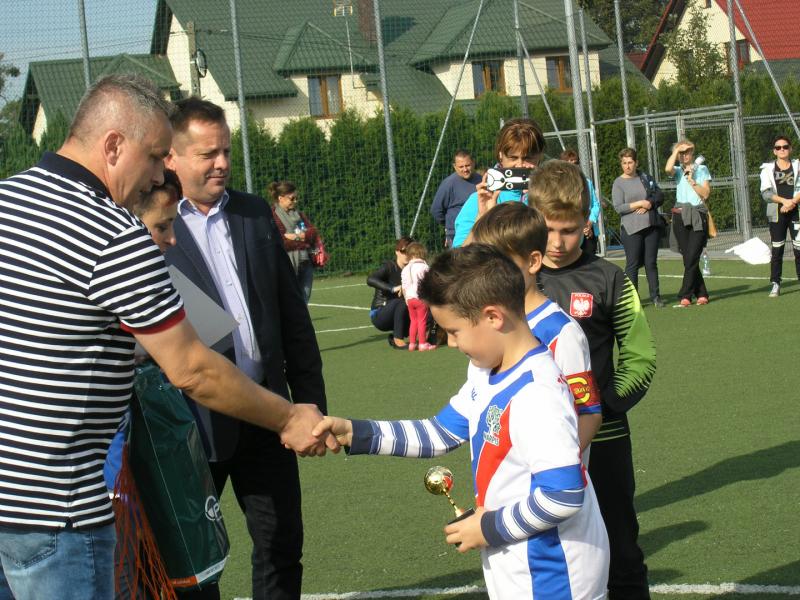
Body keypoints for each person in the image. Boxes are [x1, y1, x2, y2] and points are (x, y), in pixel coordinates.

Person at [0, 75, 332, 600]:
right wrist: (291, 417)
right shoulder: (111, 230)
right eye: (156, 157)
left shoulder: (9, 198)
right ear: (114, 146)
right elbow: (191, 368)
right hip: (59, 512)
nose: (161, 175)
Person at [313, 244, 610, 600]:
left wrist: (487, 528)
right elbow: (438, 433)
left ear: (493, 317)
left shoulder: (537, 393)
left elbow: (563, 495)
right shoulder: (487, 371)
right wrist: (354, 432)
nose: (451, 344)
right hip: (521, 563)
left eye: (453, 331)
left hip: (554, 575)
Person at [163, 97, 328, 600]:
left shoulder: (255, 212)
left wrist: (310, 402)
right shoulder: (150, 224)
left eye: (226, 152)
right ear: (171, 157)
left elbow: (293, 318)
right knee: (193, 560)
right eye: (207, 154)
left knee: (281, 544)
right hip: (194, 422)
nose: (221, 164)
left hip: (267, 410)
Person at [531, 160, 656, 600]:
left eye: (568, 230)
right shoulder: (513, 278)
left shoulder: (608, 278)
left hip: (603, 439)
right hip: (534, 441)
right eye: (548, 229)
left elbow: (641, 357)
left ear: (586, 222)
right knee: (545, 551)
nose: (557, 242)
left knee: (620, 550)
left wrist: (603, 406)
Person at [471, 202, 602, 458]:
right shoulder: (492, 324)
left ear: (533, 262)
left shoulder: (561, 332)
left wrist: (553, 470)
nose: (485, 274)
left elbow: (589, 415)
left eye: (498, 264)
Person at [452, 118, 546, 247]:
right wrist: (482, 218)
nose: (520, 165)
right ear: (501, 155)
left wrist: (540, 202)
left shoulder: (553, 192)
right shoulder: (480, 201)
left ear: (540, 156)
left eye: (528, 158)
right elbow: (459, 255)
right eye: (513, 158)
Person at [612, 148, 665, 308]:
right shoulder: (618, 183)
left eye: (630, 162)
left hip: (650, 226)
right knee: (632, 265)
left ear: (636, 163)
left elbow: (659, 195)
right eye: (624, 163)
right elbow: (619, 207)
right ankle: (634, 300)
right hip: (631, 229)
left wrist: (649, 203)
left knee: (651, 263)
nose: (627, 166)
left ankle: (656, 297)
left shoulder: (645, 177)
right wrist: (639, 203)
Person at [664, 139, 711, 306]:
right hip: (680, 216)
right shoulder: (677, 170)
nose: (684, 156)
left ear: (692, 153)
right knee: (687, 258)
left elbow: (705, 193)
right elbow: (667, 169)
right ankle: (701, 293)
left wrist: (692, 180)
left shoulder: (702, 169)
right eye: (681, 153)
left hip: (697, 214)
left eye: (687, 152)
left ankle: (685, 294)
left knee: (693, 255)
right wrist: (676, 150)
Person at [759, 135, 800, 297]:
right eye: (778, 147)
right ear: (774, 151)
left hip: (796, 211)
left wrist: (792, 202)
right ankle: (776, 283)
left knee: (799, 248)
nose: (782, 149)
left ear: (790, 149)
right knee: (777, 249)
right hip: (777, 213)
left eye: (785, 147)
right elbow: (766, 193)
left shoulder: (798, 166)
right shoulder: (767, 169)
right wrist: (784, 201)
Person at [269, 180, 320, 303]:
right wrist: (302, 238)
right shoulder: (272, 216)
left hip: (306, 261)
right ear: (280, 198)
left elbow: (313, 233)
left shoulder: (299, 215)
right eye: (292, 198)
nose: (295, 201)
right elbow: (280, 240)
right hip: (286, 264)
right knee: (289, 300)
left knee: (304, 299)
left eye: (297, 198)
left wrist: (295, 237)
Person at [430, 149, 482, 247]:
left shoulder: (481, 180)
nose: (465, 169)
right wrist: (449, 226)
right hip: (456, 234)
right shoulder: (448, 184)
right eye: (461, 167)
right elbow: (436, 210)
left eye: (467, 165)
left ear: (473, 163)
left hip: (479, 231)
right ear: (455, 166)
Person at [368, 237, 412, 349]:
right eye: (403, 251)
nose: (407, 254)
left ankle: (429, 336)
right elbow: (370, 279)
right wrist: (393, 288)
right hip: (380, 313)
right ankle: (398, 340)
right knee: (400, 302)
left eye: (410, 251)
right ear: (397, 252)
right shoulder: (389, 266)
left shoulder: (414, 269)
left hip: (401, 313)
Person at [560, 148, 602, 256]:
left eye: (575, 163)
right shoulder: (559, 185)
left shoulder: (587, 182)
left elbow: (595, 205)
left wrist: (589, 223)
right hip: (569, 231)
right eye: (569, 164)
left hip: (589, 230)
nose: (573, 167)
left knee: (590, 262)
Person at [400, 242, 435, 351]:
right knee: (422, 321)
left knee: (413, 321)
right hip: (421, 298)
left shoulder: (405, 269)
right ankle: (422, 343)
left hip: (410, 299)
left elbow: (404, 286)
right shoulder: (424, 267)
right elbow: (429, 282)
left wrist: (406, 298)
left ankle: (412, 343)